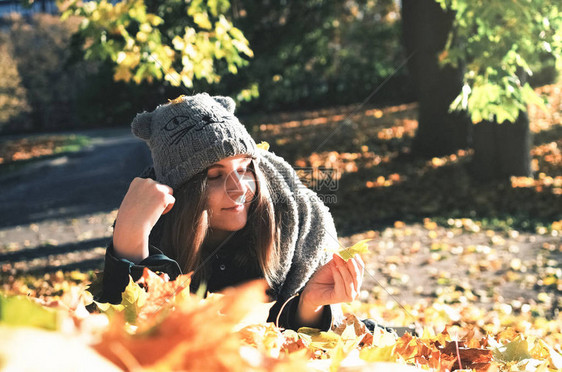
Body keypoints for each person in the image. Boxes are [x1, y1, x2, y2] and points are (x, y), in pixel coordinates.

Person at [98, 93, 365, 331]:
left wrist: (310, 305)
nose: (239, 189)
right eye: (215, 176)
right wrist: (131, 237)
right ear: (180, 192)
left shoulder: (290, 224)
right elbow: (124, 332)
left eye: (244, 169)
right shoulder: (158, 229)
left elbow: (290, 342)